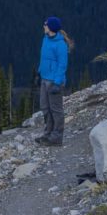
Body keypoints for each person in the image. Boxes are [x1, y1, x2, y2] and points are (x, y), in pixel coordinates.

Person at [36, 16, 70, 146]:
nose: (44, 26)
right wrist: (40, 71)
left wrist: (57, 82)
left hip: (54, 81)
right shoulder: (46, 39)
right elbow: (44, 58)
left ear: (51, 27)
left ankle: (56, 136)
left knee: (56, 109)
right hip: (45, 78)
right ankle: (48, 134)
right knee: (45, 107)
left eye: (45, 24)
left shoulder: (60, 44)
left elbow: (62, 65)